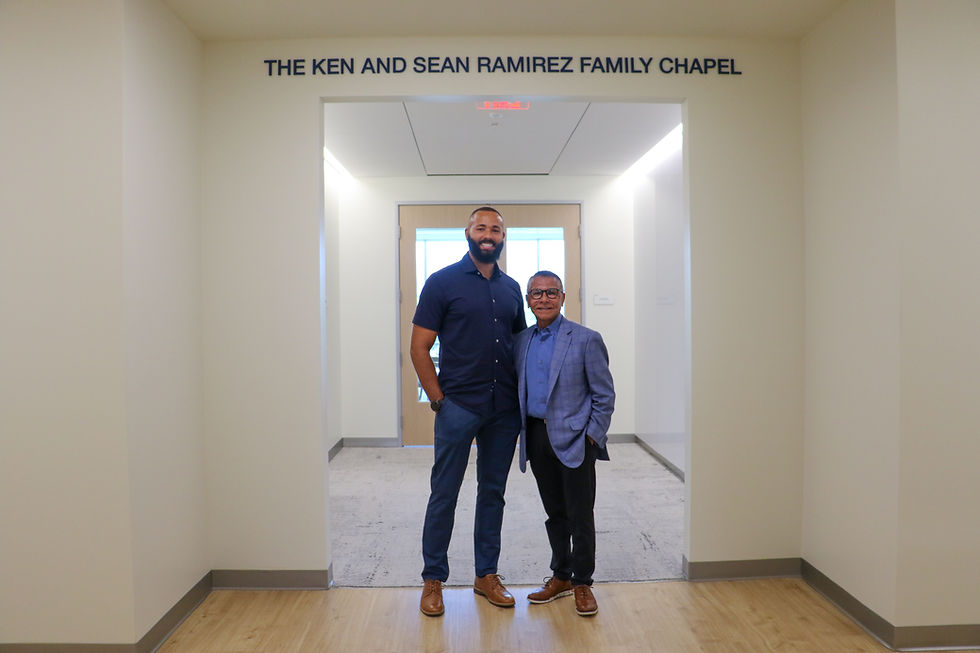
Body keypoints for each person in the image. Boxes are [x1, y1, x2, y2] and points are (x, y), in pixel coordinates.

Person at [410, 206, 527, 617]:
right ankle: (433, 579)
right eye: (482, 227)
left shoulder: (513, 288)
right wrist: (438, 399)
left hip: (503, 409)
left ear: (502, 237)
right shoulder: (442, 283)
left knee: (492, 493)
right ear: (468, 232)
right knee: (445, 492)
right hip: (458, 405)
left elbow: (519, 348)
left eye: (496, 229)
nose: (489, 234)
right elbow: (419, 347)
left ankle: (486, 576)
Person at [515, 270, 615, 617]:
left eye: (551, 292)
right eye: (536, 294)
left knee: (580, 514)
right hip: (536, 436)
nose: (543, 299)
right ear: (528, 300)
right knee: (554, 512)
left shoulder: (586, 339)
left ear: (562, 298)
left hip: (576, 438)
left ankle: (583, 583)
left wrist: (591, 436)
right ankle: (560, 576)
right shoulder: (522, 341)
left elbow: (604, 394)